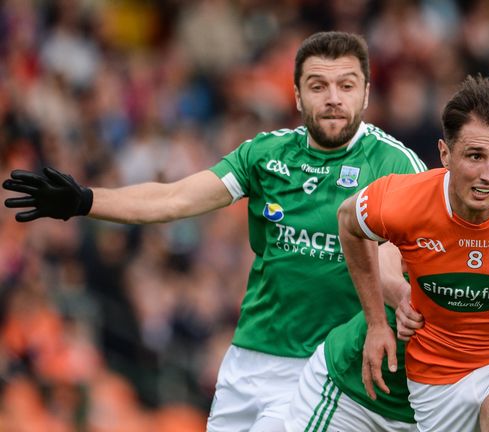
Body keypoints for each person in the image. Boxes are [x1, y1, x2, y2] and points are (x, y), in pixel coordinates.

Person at [2, 31, 427, 432]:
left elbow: (404, 257)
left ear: (367, 93)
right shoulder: (265, 154)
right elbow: (175, 199)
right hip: (249, 359)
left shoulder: (394, 164)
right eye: (318, 86)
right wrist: (86, 201)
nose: (333, 99)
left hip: (323, 366)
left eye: (346, 86)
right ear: (297, 95)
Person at [285, 122, 489, 432]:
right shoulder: (488, 208)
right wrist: (399, 295)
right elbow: (386, 250)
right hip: (363, 392)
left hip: (437, 405)